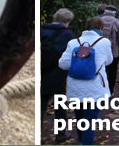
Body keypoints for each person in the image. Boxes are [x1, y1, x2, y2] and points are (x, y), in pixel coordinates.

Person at [59, 16, 113, 145]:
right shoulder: (104, 42)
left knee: (79, 117)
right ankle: (86, 143)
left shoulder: (73, 43)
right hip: (94, 87)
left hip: (75, 86)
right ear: (101, 28)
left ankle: (82, 141)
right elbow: (109, 60)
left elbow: (63, 64)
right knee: (90, 119)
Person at [40, 8, 76, 143]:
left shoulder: (41, 30)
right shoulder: (68, 35)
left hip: (42, 73)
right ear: (67, 21)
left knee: (41, 104)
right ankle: (60, 134)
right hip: (59, 75)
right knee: (60, 106)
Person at [97, 4, 119, 96]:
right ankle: (110, 91)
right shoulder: (118, 23)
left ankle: (100, 89)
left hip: (99, 51)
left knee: (101, 70)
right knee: (113, 71)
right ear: (114, 13)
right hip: (114, 52)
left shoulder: (98, 21)